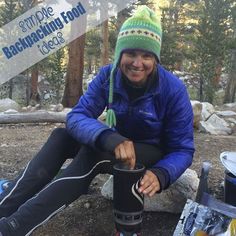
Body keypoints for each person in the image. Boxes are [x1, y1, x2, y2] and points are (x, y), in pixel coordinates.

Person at [0, 6, 194, 236]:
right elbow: (76, 116)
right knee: (61, 137)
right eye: (131, 53)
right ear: (120, 53)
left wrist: (162, 173)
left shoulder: (173, 90)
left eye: (147, 55)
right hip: (118, 146)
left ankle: (13, 228)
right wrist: (108, 137)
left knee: (94, 155)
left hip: (152, 152)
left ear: (155, 58)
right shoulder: (108, 77)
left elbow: (182, 149)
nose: (137, 63)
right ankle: (5, 207)